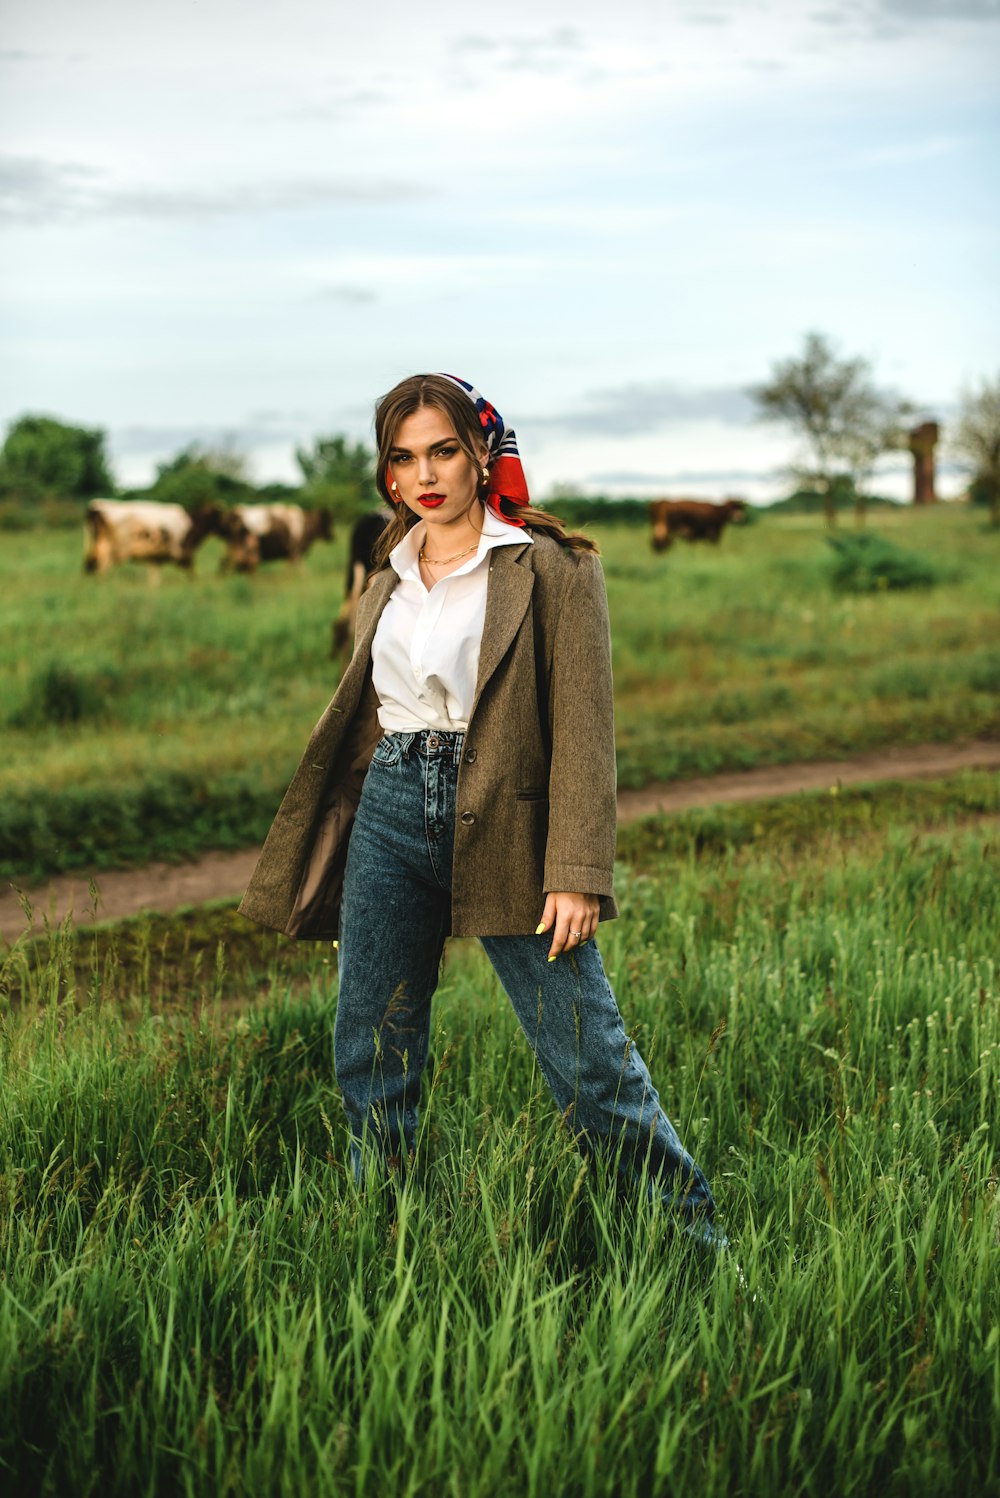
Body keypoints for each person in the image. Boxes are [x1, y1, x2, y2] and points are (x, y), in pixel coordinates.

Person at [239, 373, 723, 1249]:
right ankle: (382, 1241)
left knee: (586, 1057)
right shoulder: (386, 570)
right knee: (371, 1043)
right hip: (390, 806)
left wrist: (575, 870)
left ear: (480, 454)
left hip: (505, 816)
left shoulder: (554, 568)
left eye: (444, 451)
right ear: (387, 471)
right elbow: (372, 713)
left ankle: (695, 1245)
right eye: (403, 457)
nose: (424, 475)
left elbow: (584, 729)